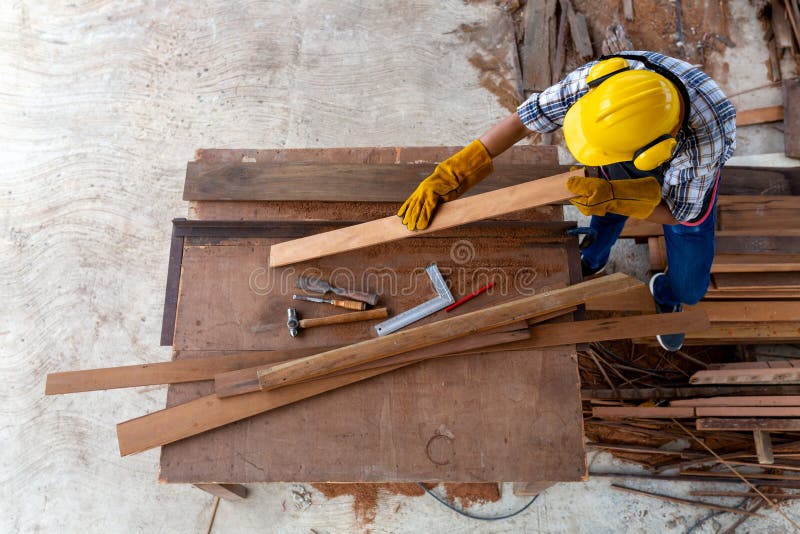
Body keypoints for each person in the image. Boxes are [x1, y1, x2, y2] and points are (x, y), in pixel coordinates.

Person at [397, 51, 736, 351]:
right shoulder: (604, 80)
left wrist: (617, 196)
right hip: (632, 142)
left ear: (653, 152)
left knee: (691, 281)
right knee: (600, 200)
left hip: (683, 179)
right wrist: (455, 170)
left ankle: (667, 293)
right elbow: (522, 120)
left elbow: (678, 214)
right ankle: (594, 256)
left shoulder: (703, 146)